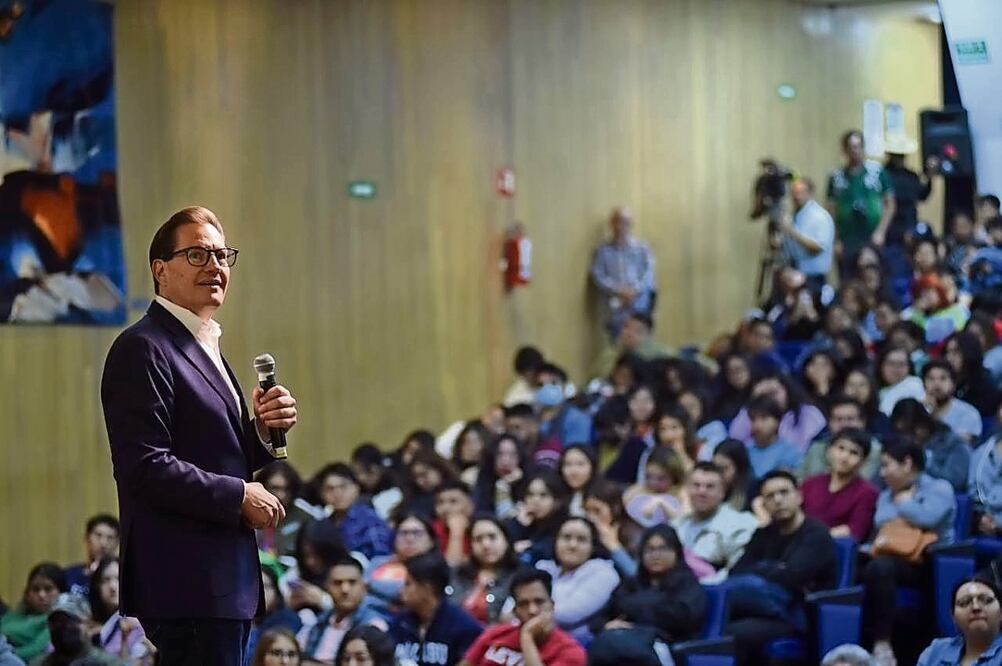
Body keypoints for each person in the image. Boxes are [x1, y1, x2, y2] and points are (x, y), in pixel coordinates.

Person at [101, 207, 298, 665]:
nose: (215, 266)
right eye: (197, 254)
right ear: (160, 269)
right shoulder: (144, 347)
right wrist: (237, 495)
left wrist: (262, 433)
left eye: (221, 255)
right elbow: (143, 466)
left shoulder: (200, 342)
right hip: (186, 579)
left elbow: (213, 452)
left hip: (218, 578)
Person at [725, 471, 837, 666]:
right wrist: (774, 568)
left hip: (798, 616)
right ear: (764, 504)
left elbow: (793, 577)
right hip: (761, 611)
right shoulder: (764, 534)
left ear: (798, 496)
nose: (778, 500)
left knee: (733, 633)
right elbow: (736, 572)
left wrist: (760, 569)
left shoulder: (816, 534)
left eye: (784, 492)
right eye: (770, 496)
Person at [864, 438, 956, 666]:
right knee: (870, 566)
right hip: (892, 554)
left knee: (880, 567)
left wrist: (904, 504)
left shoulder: (939, 487)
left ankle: (883, 642)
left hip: (929, 562)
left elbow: (930, 518)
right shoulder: (887, 493)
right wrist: (911, 508)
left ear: (906, 463)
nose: (882, 473)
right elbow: (880, 519)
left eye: (886, 465)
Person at [588, 525, 706, 665]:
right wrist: (606, 625)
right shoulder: (631, 584)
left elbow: (683, 617)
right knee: (602, 646)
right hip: (622, 641)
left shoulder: (687, 582)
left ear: (676, 552)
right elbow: (599, 617)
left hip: (665, 645)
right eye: (650, 549)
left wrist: (634, 606)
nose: (656, 555)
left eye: (663, 548)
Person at [459, 569, 586, 666]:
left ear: (552, 605)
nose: (532, 610)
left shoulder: (570, 652)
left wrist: (527, 637)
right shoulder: (496, 633)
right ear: (515, 610)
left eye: (539, 602)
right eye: (523, 604)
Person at [534, 516, 620, 644]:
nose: (572, 545)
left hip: (576, 648)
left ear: (593, 546)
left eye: (581, 540)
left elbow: (566, 615)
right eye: (566, 537)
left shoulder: (604, 572)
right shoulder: (543, 567)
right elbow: (508, 611)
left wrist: (526, 613)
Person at [388, 553, 483, 666]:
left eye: (408, 584)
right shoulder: (398, 623)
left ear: (427, 588)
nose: (401, 591)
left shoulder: (465, 628)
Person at [826, 129, 896, 275]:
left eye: (858, 146)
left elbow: (890, 204)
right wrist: (836, 239)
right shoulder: (837, 176)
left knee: (873, 275)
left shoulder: (877, 172)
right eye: (851, 147)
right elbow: (831, 208)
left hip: (872, 236)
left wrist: (881, 232)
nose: (855, 151)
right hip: (847, 238)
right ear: (845, 150)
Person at [673, 462, 758, 579]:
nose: (702, 492)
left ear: (722, 492)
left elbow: (738, 572)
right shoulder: (677, 525)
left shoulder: (739, 524)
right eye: (696, 485)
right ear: (687, 489)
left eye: (710, 486)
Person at [297, 558, 387, 665]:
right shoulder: (317, 624)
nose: (345, 589)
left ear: (364, 586)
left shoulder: (375, 626)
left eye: (352, 582)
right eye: (337, 583)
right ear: (327, 587)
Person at [801, 429, 879, 542]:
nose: (845, 456)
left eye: (854, 453)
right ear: (829, 450)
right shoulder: (811, 483)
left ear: (863, 461)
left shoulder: (867, 492)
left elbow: (856, 530)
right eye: (841, 448)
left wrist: (817, 538)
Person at [590, 206, 656, 338]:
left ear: (631, 225)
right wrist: (618, 290)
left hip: (640, 306)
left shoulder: (642, 248)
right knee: (618, 345)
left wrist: (634, 290)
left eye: (625, 222)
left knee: (641, 347)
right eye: (617, 222)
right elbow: (598, 275)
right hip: (616, 307)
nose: (621, 227)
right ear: (611, 224)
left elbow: (648, 273)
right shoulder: (603, 250)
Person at [728, 372, 827, 453]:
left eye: (773, 393)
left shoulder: (809, 413)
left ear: (787, 391)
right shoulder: (748, 414)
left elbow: (813, 446)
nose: (770, 398)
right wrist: (753, 403)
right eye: (763, 395)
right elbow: (735, 440)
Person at [449, 516, 520, 625]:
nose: (486, 545)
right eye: (478, 539)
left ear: (506, 540)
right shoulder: (458, 574)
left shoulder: (520, 576)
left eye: (492, 537)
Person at [316, 464, 394, 561]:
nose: (337, 493)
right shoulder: (322, 526)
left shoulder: (370, 521)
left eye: (343, 486)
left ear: (356, 488)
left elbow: (381, 559)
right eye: (330, 489)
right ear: (322, 494)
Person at [917, 577, 1002, 665]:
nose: (976, 607)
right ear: (953, 617)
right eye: (964, 602)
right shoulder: (936, 651)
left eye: (985, 600)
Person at [891, 398, 970, 492]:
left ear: (923, 422)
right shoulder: (901, 446)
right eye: (903, 433)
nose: (908, 438)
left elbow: (955, 482)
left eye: (911, 431)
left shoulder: (954, 444)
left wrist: (924, 460)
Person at [797, 396, 882, 483]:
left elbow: (863, 482)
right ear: (829, 423)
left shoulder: (874, 451)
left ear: (862, 422)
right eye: (838, 419)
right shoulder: (816, 448)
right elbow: (799, 480)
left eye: (850, 419)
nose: (844, 424)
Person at [365, 513, 438, 609]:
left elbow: (407, 592)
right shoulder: (377, 562)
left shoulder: (435, 567)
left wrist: (371, 584)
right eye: (404, 533)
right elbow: (358, 590)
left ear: (431, 540)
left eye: (417, 533)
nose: (410, 539)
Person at [28, 593, 124, 666]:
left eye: (70, 621)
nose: (63, 627)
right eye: (56, 622)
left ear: (89, 625)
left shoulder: (109, 663)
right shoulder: (38, 664)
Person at [88, 557, 152, 665]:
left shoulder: (138, 624)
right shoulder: (87, 623)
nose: (113, 587)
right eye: (106, 580)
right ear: (97, 586)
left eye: (118, 579)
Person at [1, 564, 66, 662]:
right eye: (35, 589)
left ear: (62, 593)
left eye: (48, 589)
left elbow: (35, 651)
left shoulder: (58, 621)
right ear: (27, 593)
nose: (41, 595)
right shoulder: (15, 615)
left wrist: (5, 653)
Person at [780, 177, 835, 292]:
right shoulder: (794, 216)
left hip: (814, 279)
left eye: (800, 192)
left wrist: (792, 232)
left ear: (810, 193)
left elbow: (817, 248)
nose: (796, 196)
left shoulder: (820, 217)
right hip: (794, 275)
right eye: (794, 193)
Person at [883, 135, 935, 247]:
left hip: (910, 227)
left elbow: (922, 196)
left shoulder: (911, 176)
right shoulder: (883, 175)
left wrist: (929, 177)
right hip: (890, 229)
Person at [256, 462, 315, 559]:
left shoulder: (306, 516)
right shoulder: (250, 512)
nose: (281, 495)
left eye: (286, 489)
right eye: (275, 488)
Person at [922, 359, 984, 442]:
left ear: (954, 384)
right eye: (931, 379)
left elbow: (959, 447)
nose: (936, 383)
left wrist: (934, 417)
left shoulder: (969, 414)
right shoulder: (918, 412)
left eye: (943, 378)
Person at [743, 395, 803, 479]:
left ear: (777, 421)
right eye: (753, 419)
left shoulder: (790, 452)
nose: (757, 425)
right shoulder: (744, 452)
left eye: (764, 418)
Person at [64, 515, 120, 597]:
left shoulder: (123, 576)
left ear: (117, 543)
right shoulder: (69, 575)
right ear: (86, 538)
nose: (103, 543)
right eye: (98, 536)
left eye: (110, 538)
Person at [432, 481, 475, 567]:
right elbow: (451, 566)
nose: (445, 508)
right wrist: (456, 532)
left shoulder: (481, 528)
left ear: (470, 505)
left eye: (453, 501)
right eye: (440, 502)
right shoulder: (431, 530)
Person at [876, 346, 925, 417]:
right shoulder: (875, 389)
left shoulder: (913, 384)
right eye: (891, 364)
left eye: (901, 364)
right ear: (881, 366)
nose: (896, 368)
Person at [712, 439, 755, 512]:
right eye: (714, 468)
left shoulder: (753, 491)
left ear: (739, 468)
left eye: (723, 469)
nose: (717, 474)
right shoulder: (711, 489)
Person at [558, 445, 597, 517]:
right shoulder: (556, 498)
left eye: (580, 464)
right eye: (568, 464)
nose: (573, 471)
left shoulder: (604, 497)